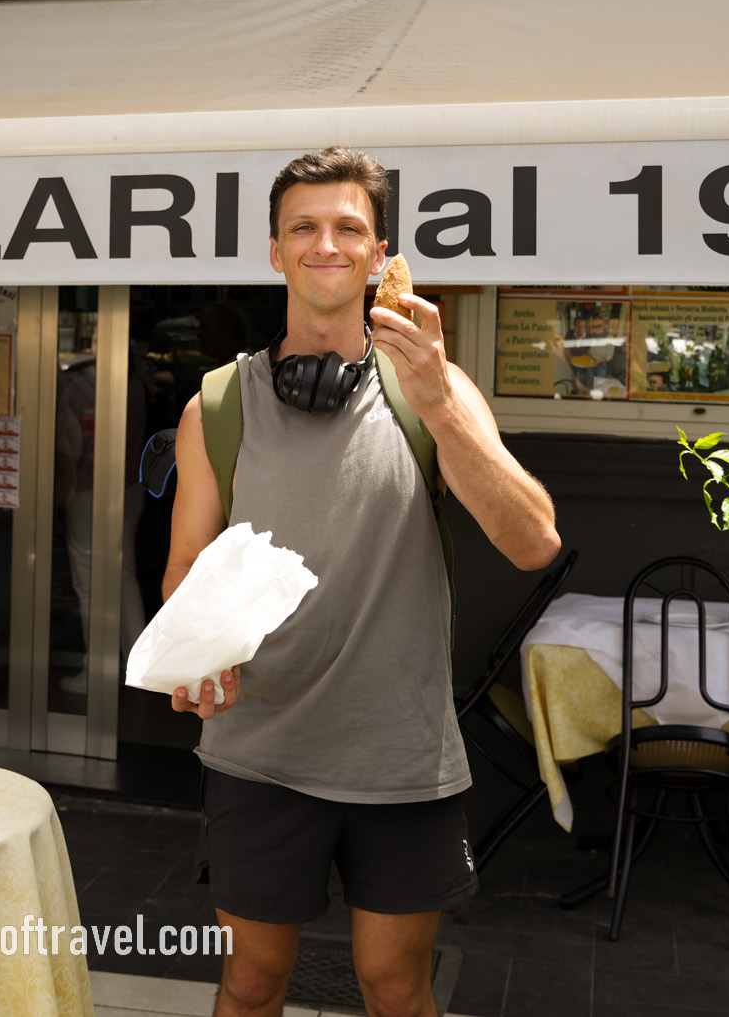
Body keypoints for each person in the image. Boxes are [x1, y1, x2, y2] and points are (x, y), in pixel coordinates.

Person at [162, 148, 561, 1017]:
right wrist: (189, 659)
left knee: (393, 986)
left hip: (399, 757)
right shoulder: (216, 406)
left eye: (348, 227)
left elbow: (534, 542)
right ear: (275, 251)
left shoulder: (437, 391)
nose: (325, 244)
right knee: (252, 980)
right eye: (303, 227)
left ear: (382, 254)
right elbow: (187, 568)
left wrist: (438, 396)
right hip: (259, 751)